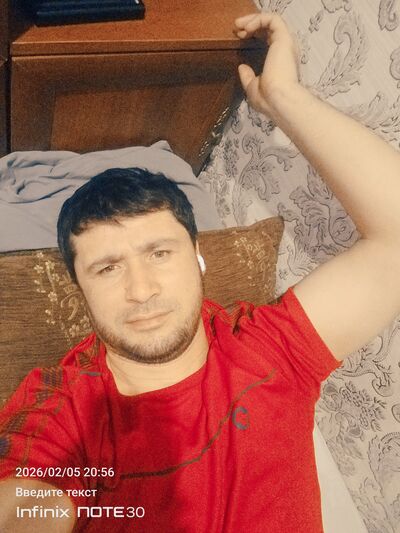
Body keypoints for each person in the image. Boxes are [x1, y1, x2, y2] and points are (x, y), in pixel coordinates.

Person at [1, 11, 400, 533]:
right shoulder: (69, 410)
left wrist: (284, 97)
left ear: (198, 255)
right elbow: (25, 503)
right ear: (79, 290)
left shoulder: (273, 347)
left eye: (159, 253)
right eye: (107, 268)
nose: (140, 290)